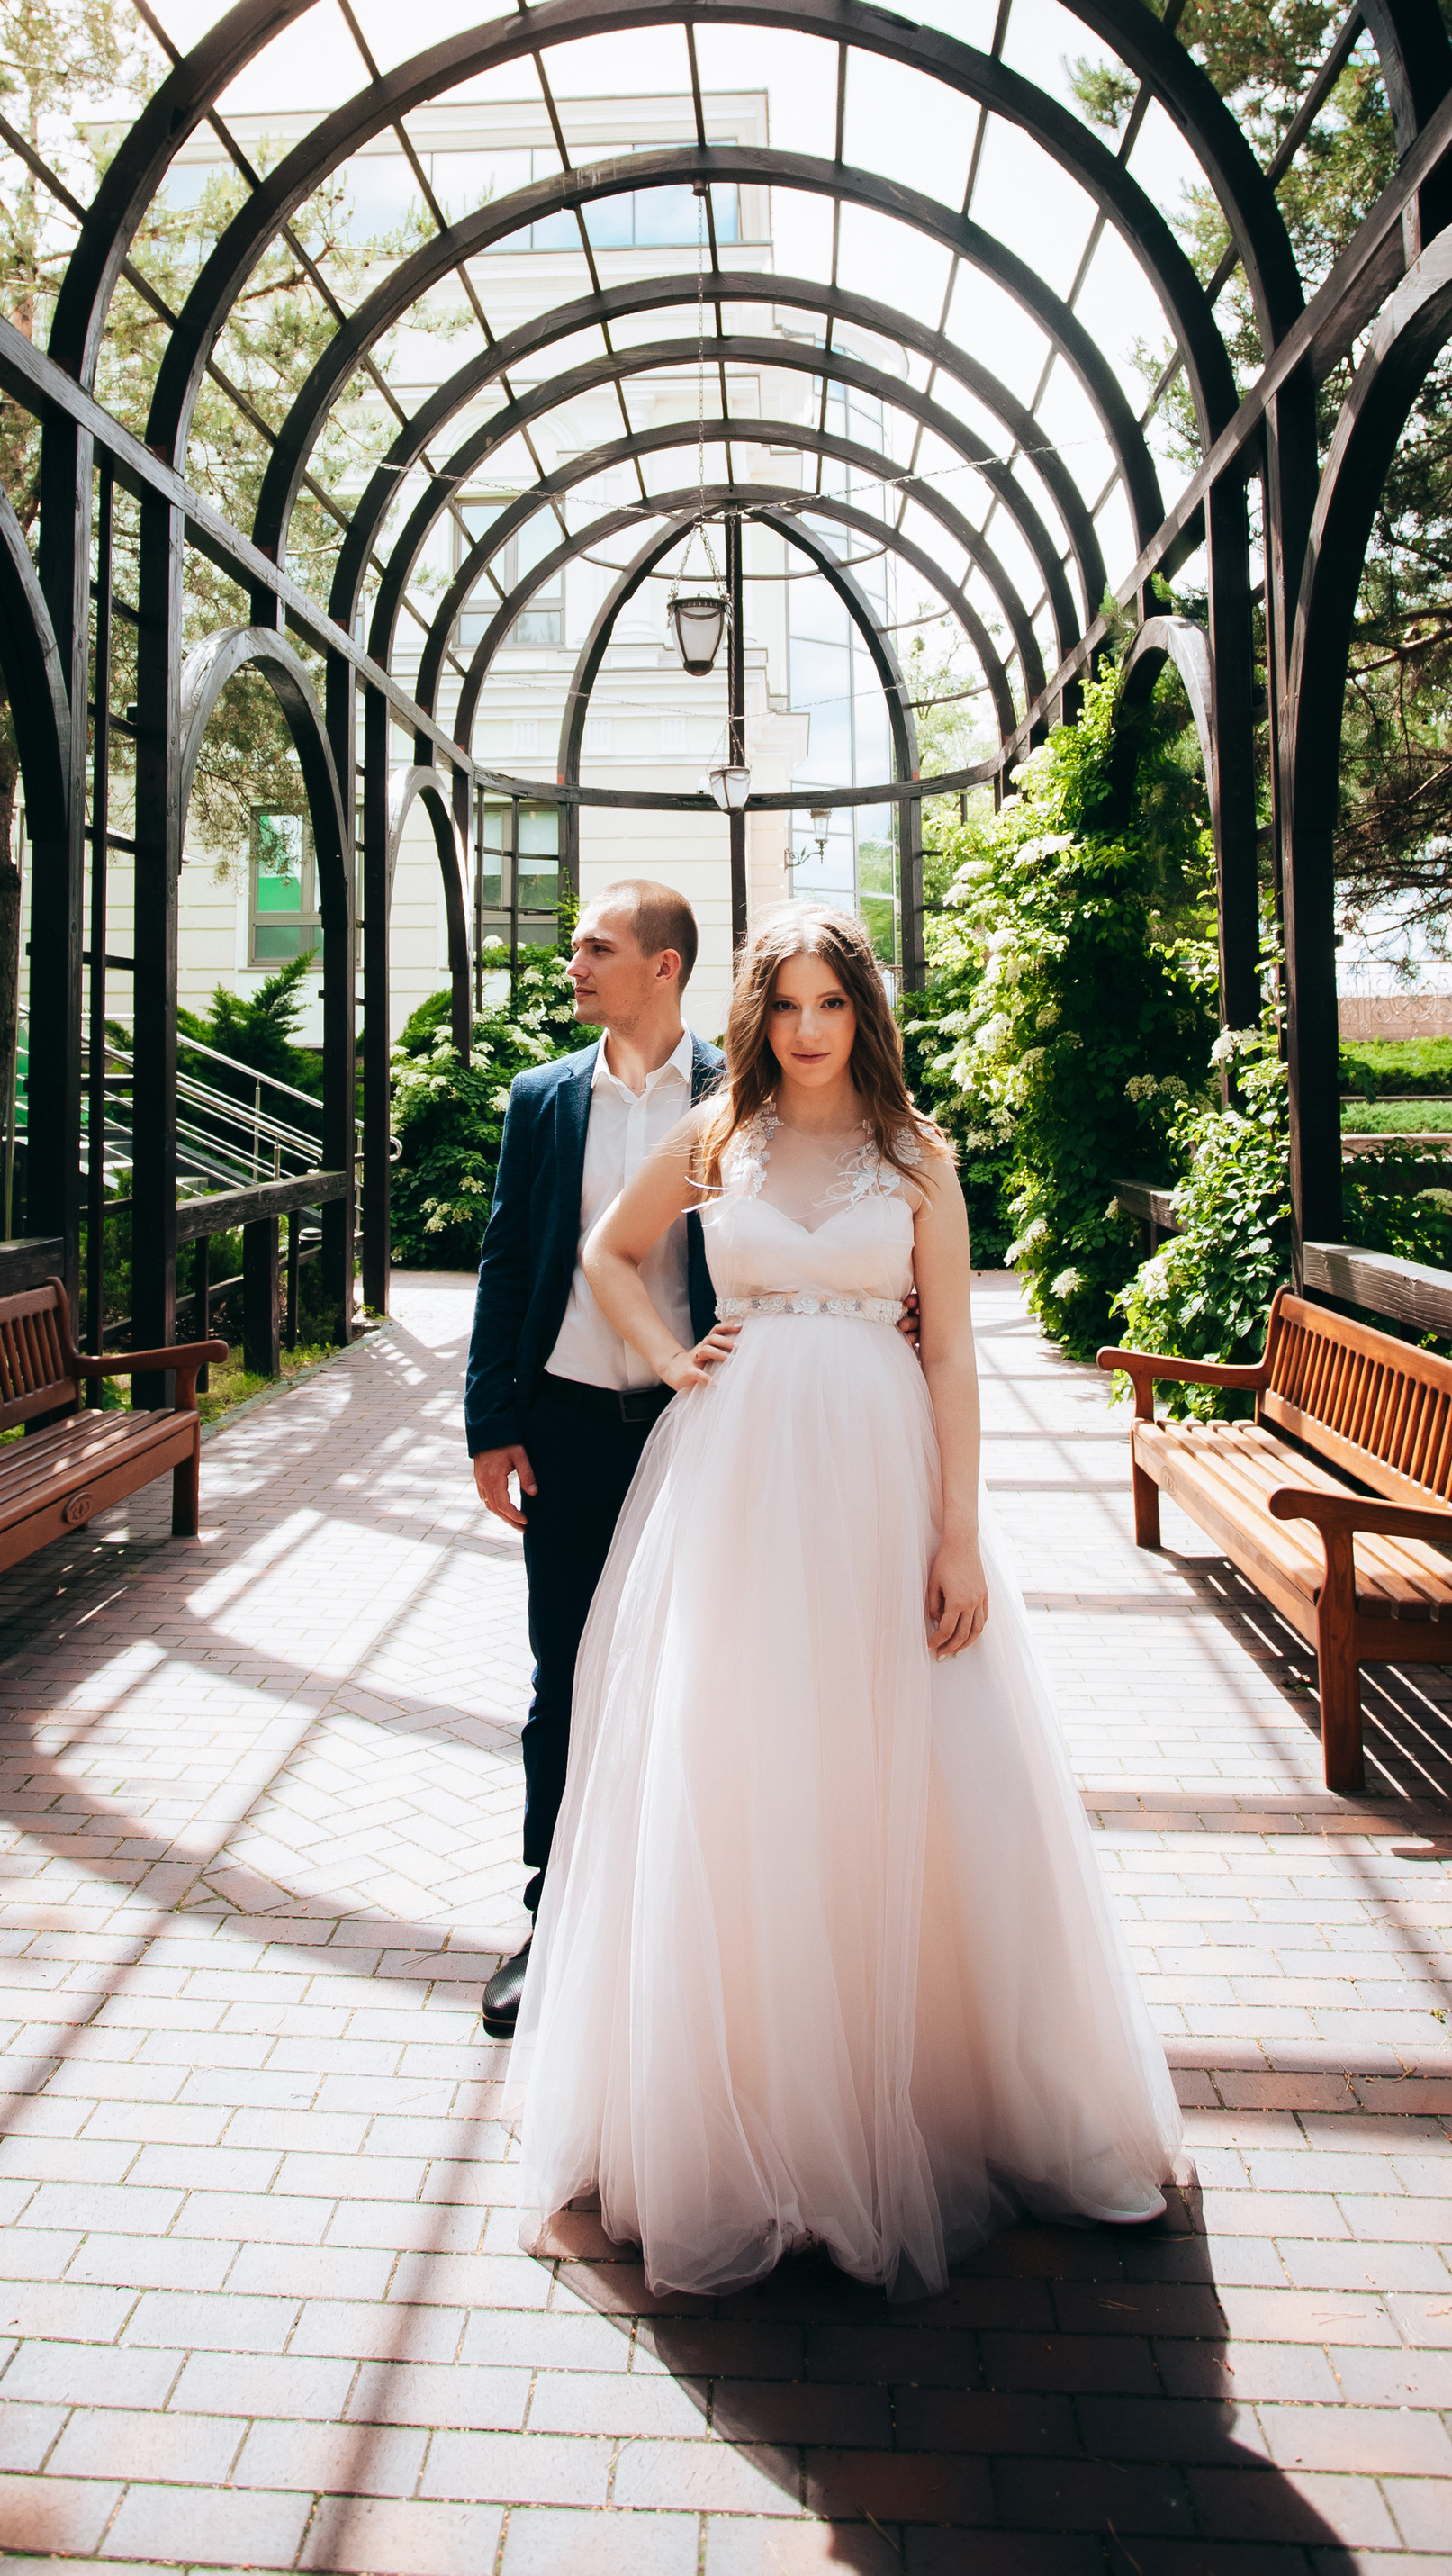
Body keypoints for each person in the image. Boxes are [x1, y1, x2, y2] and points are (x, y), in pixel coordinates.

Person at [510, 899, 1186, 2300]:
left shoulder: (918, 1159)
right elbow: (603, 1251)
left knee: (912, 1763)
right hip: (741, 1475)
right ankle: (752, 2124)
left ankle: (934, 2107)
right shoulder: (722, 1138)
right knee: (740, 1757)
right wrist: (670, 1353)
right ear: (755, 1016)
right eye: (787, 1008)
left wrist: (959, 1537)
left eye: (831, 1007)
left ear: (864, 1016)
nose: (808, 1034)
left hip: (880, 1473)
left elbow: (951, 1361)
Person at [464, 880, 725, 2040]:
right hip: (567, 1422)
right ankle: (551, 1916)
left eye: (596, 947)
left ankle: (689, 1923)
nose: (572, 963)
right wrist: (490, 1420)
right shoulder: (542, 1099)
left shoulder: (740, 1093)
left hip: (697, 1431)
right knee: (562, 1675)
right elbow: (508, 1260)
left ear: (662, 968)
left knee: (701, 1675)